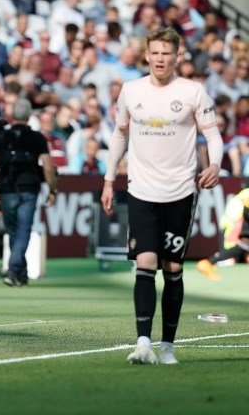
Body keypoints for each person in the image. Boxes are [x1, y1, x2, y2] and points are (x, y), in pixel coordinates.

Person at [100, 27, 222, 365]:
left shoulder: (193, 92)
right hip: (141, 189)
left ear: (177, 56)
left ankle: (167, 346)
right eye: (154, 52)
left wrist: (216, 164)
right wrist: (109, 180)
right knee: (145, 262)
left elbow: (212, 134)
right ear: (147, 55)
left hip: (181, 191)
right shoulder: (131, 90)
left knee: (172, 267)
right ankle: (143, 343)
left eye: (166, 53)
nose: (160, 58)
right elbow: (119, 135)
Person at [0, 99, 57, 287]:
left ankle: (16, 271)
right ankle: (17, 271)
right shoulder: (38, 137)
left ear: (12, 115)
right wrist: (52, 189)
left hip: (7, 189)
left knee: (13, 231)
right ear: (29, 115)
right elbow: (48, 168)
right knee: (23, 230)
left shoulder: (1, 137)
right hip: (30, 188)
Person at [196, 186, 249, 281]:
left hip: (235, 219)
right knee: (243, 245)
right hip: (235, 221)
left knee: (244, 245)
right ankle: (208, 263)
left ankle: (208, 263)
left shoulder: (243, 194)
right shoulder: (246, 196)